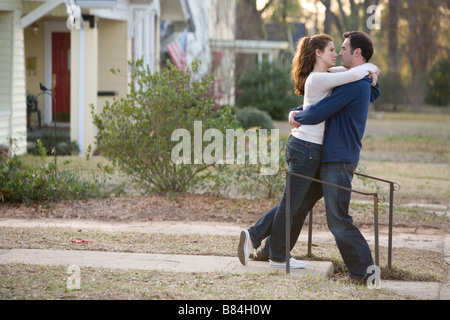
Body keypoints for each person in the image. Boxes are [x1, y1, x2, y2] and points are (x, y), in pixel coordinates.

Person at [238, 32, 380, 270]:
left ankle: (272, 249)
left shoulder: (339, 78)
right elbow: (317, 110)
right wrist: (370, 69)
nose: (338, 53)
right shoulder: (332, 78)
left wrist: (370, 74)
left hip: (321, 152)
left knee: (297, 204)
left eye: (342, 48)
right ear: (318, 53)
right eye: (334, 49)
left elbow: (349, 89)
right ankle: (262, 242)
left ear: (357, 52)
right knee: (293, 204)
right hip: (310, 149)